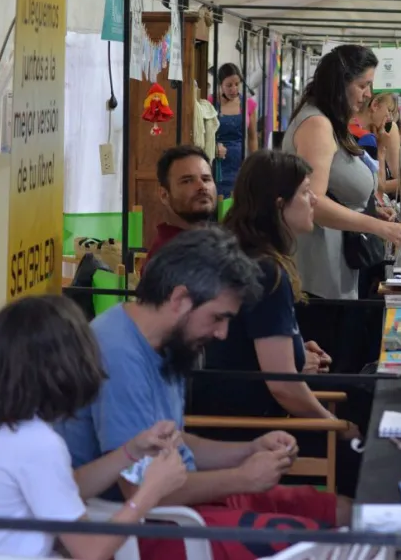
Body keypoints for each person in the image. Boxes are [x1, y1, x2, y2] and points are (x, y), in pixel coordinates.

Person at [56, 228, 350, 560]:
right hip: (142, 526)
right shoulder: (118, 354)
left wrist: (248, 450)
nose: (222, 333)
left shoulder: (166, 342)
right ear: (180, 299)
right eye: (217, 318)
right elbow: (142, 490)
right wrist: (241, 478)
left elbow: (176, 440)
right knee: (330, 544)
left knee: (340, 512)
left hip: (178, 505)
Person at [0, 296, 187, 559]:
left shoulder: (1, 428)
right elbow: (91, 551)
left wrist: (131, 451)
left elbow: (68, 486)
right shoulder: (38, 444)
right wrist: (150, 492)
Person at [192, 150, 363, 490]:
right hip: (250, 429)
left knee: (361, 393)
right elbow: (284, 387)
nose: (314, 199)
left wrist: (297, 350)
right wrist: (337, 426)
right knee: (367, 458)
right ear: (279, 204)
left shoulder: (243, 255)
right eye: (304, 192)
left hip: (231, 415)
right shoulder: (266, 272)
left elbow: (253, 350)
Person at [282, 44, 401, 300]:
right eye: (363, 85)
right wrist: (375, 226)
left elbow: (333, 188)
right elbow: (313, 203)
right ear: (340, 83)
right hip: (317, 274)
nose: (367, 94)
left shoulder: (326, 121)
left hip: (332, 268)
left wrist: (367, 208)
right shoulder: (317, 125)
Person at [144, 145, 216, 264]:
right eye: (187, 181)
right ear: (164, 195)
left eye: (206, 179)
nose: (202, 187)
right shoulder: (167, 258)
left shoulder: (218, 242)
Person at [211, 63, 259, 199]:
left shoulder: (249, 104)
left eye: (237, 84)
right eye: (229, 85)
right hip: (217, 162)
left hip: (240, 163)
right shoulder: (210, 103)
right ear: (221, 85)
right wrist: (213, 147)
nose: (234, 89)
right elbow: (203, 135)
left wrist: (253, 165)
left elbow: (252, 138)